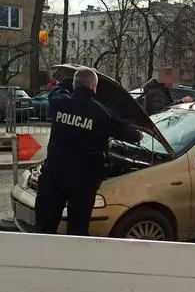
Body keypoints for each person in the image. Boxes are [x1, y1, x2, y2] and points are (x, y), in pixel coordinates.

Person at [35, 68, 142, 236]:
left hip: (55, 174)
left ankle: (43, 260)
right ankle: (74, 260)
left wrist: (66, 84)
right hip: (83, 181)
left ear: (74, 85)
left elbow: (56, 91)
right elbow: (134, 136)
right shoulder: (102, 113)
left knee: (44, 229)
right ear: (94, 87)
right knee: (78, 231)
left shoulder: (59, 103)